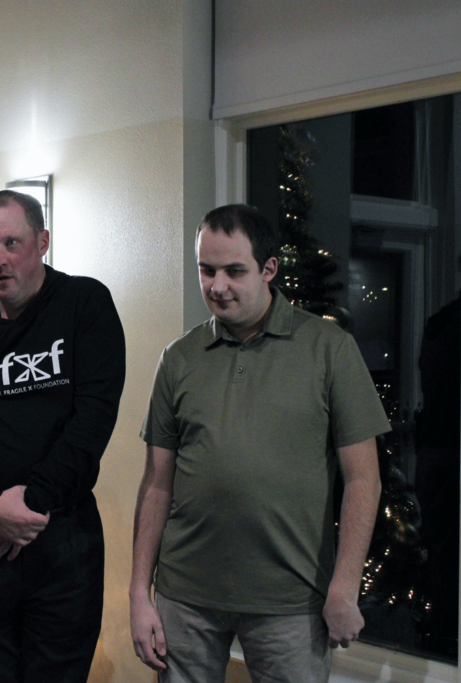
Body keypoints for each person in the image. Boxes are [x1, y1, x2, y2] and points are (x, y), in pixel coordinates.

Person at [130, 204, 389, 682]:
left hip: (291, 601)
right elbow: (156, 486)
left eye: (234, 271)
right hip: (185, 596)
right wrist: (139, 595)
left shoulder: (328, 349)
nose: (217, 286)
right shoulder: (179, 358)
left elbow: (363, 480)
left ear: (269, 269)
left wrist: (345, 586)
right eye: (206, 270)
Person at [0, 190, 126, 682]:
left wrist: (29, 505)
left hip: (62, 542)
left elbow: (92, 419)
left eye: (11, 243)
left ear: (42, 242)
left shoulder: (84, 303)